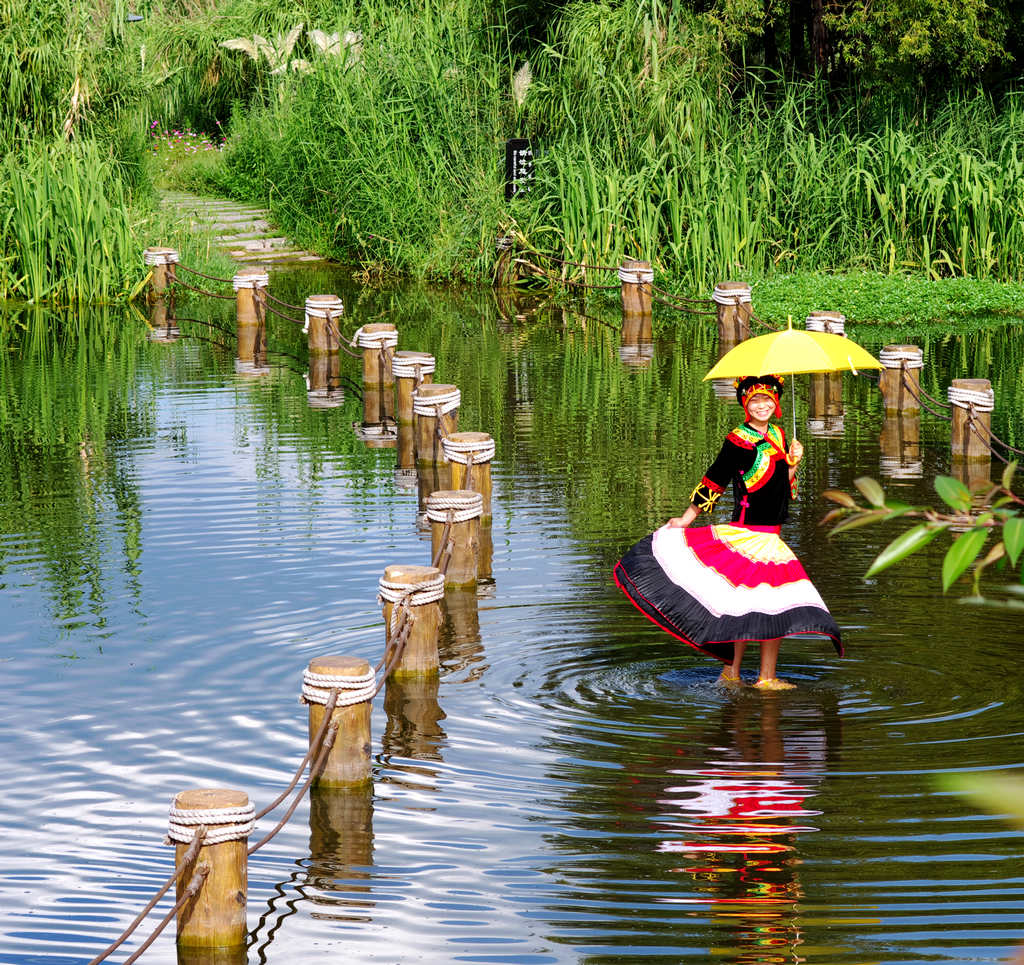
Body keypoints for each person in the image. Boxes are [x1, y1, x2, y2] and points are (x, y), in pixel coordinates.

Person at [613, 374, 842, 690]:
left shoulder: (778, 434)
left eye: (767, 400)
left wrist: (792, 464)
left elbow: (782, 491)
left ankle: (738, 674)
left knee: (755, 607)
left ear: (776, 404)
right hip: (748, 535)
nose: (762, 405)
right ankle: (761, 676)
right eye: (755, 400)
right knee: (765, 607)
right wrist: (686, 518)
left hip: (771, 536)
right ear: (746, 406)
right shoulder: (738, 440)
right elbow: (715, 479)